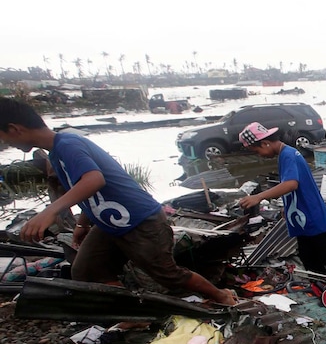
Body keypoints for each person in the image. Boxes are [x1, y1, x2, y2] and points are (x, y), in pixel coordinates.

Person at [0, 98, 236, 305]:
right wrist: (83, 224)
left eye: (4, 138)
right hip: (110, 225)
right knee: (86, 271)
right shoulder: (56, 153)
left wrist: (49, 212)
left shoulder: (68, 145)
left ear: (14, 129)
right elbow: (87, 191)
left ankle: (220, 295)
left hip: (141, 221)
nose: (6, 144)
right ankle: (132, 313)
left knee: (168, 274)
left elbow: (94, 180)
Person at [237, 122, 326, 284]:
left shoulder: (289, 155)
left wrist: (259, 197)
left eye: (257, 151)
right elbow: (293, 188)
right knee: (309, 260)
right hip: (302, 219)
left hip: (311, 217)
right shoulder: (285, 154)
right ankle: (321, 288)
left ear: (265, 143)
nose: (259, 155)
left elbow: (291, 183)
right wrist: (286, 209)